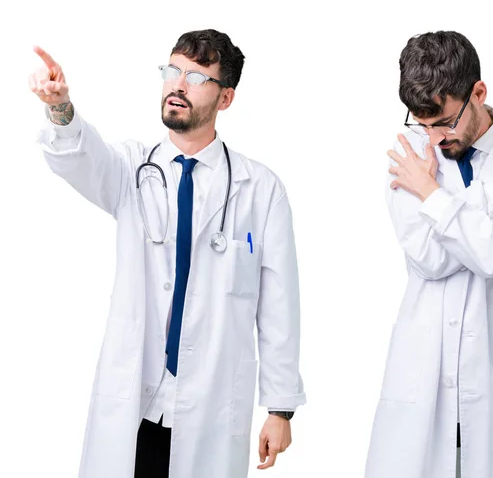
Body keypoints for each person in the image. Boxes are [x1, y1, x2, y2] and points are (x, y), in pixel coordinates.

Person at [30, 29, 306, 478]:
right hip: (134, 405)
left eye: (196, 76)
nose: (178, 84)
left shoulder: (262, 189)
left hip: (210, 406)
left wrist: (280, 408)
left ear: (226, 97)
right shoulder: (132, 170)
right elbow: (80, 157)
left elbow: (279, 304)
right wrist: (60, 106)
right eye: (172, 70)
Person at [365, 31, 493, 478]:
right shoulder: (411, 159)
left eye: (445, 122)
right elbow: (427, 259)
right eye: (423, 124)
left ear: (478, 92)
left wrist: (432, 195)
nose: (435, 139)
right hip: (425, 382)